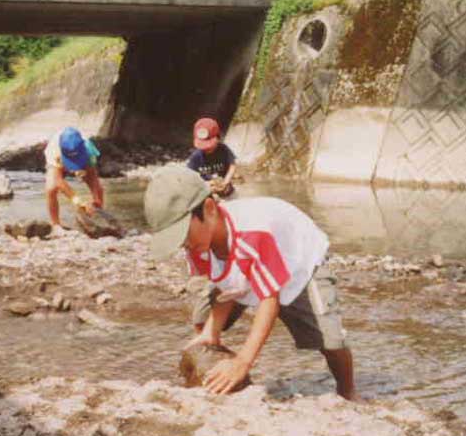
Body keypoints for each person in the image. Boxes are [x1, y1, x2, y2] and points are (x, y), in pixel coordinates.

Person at [143, 165, 359, 400]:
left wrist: (243, 361)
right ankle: (219, 377)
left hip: (298, 262)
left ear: (209, 209)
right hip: (251, 262)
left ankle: (347, 391)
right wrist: (211, 332)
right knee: (203, 319)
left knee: (330, 340)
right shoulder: (197, 245)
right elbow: (225, 286)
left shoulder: (254, 233)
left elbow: (270, 299)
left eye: (183, 234)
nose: (183, 245)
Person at [44, 127, 104, 228]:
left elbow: (93, 177)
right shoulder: (54, 151)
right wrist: (79, 202)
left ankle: (100, 219)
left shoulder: (88, 149)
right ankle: (56, 225)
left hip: (82, 157)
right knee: (51, 189)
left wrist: (96, 198)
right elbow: (59, 181)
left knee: (98, 190)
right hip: (58, 161)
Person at [186, 117, 237, 197]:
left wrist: (226, 181)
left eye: (209, 146)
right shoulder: (196, 156)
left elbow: (232, 165)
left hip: (225, 187)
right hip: (205, 190)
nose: (206, 149)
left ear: (218, 138)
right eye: (203, 147)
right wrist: (206, 185)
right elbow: (189, 176)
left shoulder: (223, 149)